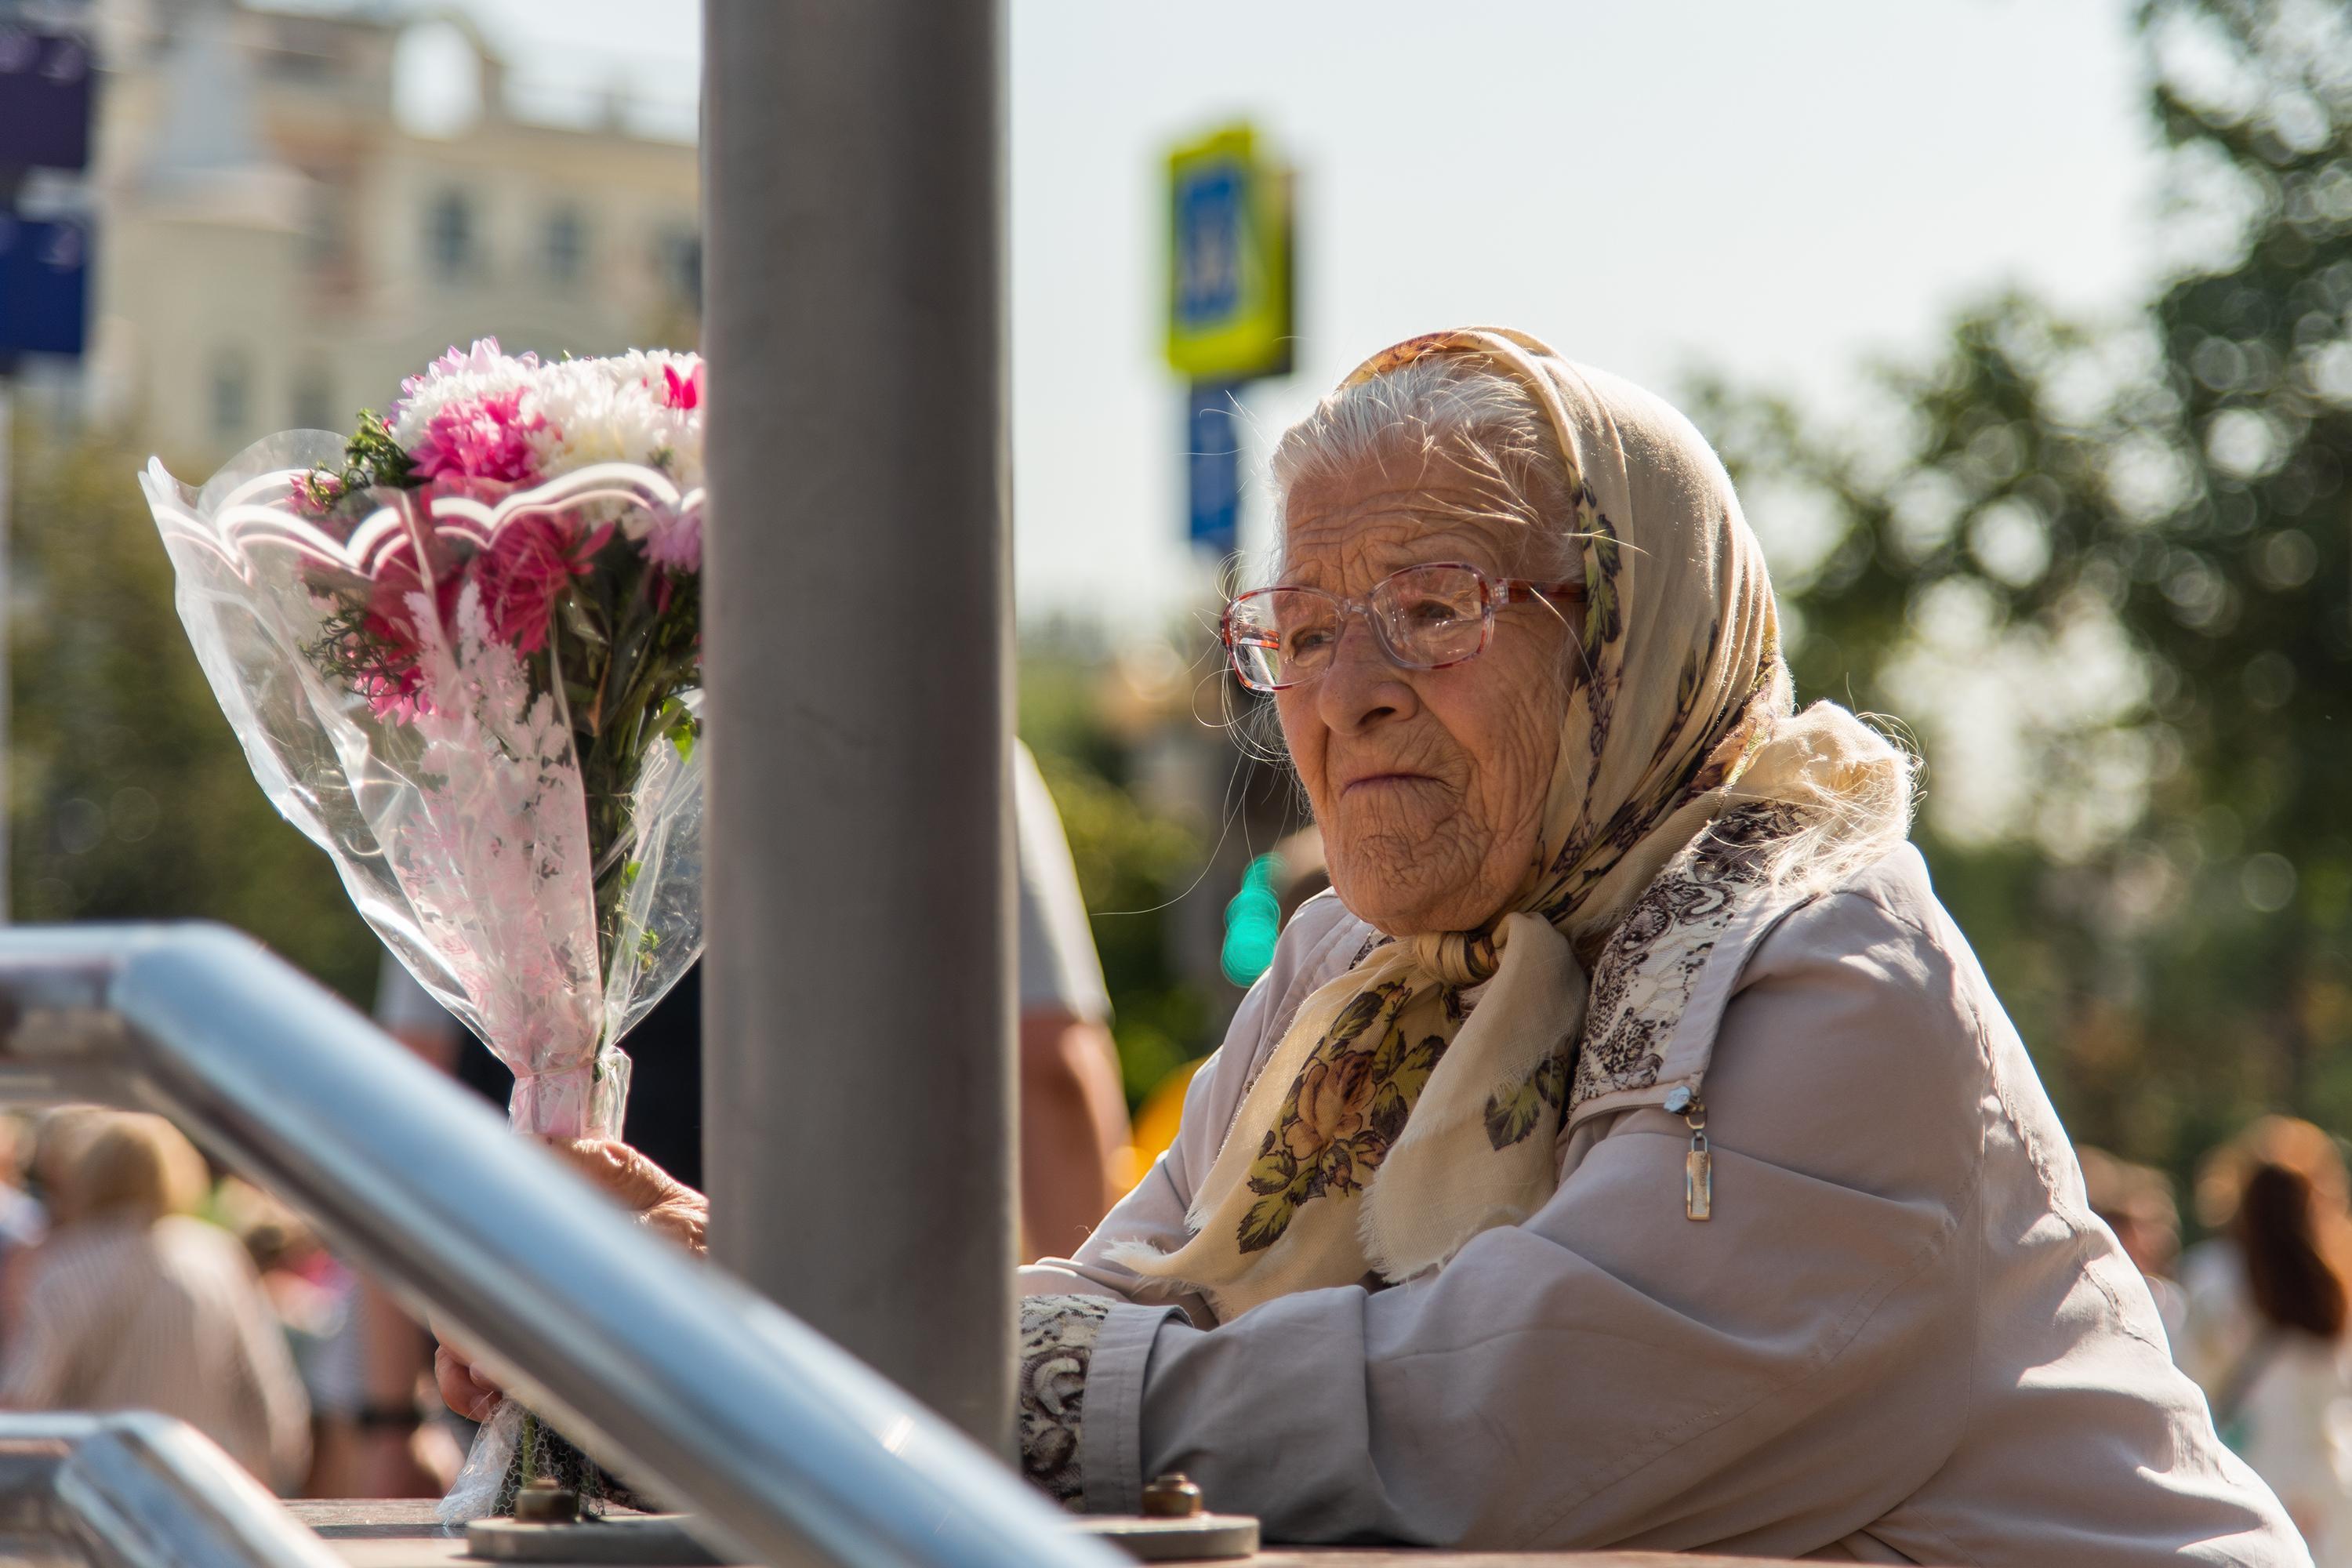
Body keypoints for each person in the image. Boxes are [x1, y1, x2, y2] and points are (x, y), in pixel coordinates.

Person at [439, 328, 2303, 1562]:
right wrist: (720, 1328)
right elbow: (1128, 1302)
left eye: (1428, 605)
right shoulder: (1344, 974)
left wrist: (851, 1340)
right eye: (1302, 627)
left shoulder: (1814, 961)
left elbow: (1509, 1414)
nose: (1347, 697)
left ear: (1628, 627)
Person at [1, 1112, 311, 1493]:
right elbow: (271, 1400)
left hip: (97, 1488)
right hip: (203, 1483)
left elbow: (25, 1402)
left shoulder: (64, 1265)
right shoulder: (218, 1258)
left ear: (91, 1174)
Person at [2178, 1118, 2352, 1562]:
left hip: (2241, 1490)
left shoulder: (2212, 1279)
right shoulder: (2335, 1288)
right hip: (2325, 1498)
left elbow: (2186, 1387)